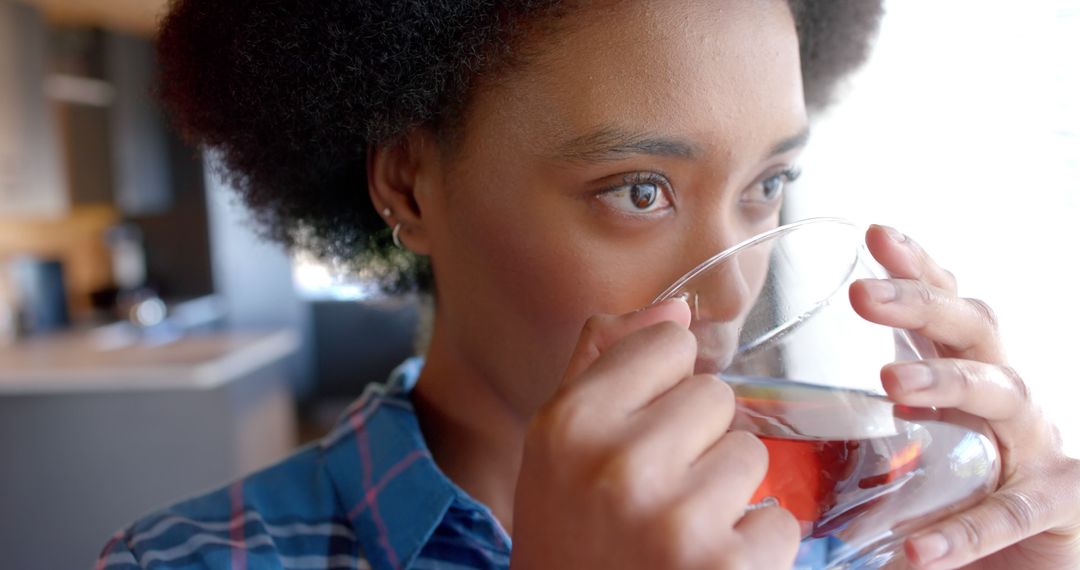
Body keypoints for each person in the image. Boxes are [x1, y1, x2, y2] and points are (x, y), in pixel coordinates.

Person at [97, 1, 1080, 569]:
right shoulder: (191, 559)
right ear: (411, 183)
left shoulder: (840, 538)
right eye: (639, 190)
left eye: (766, 184)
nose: (736, 289)